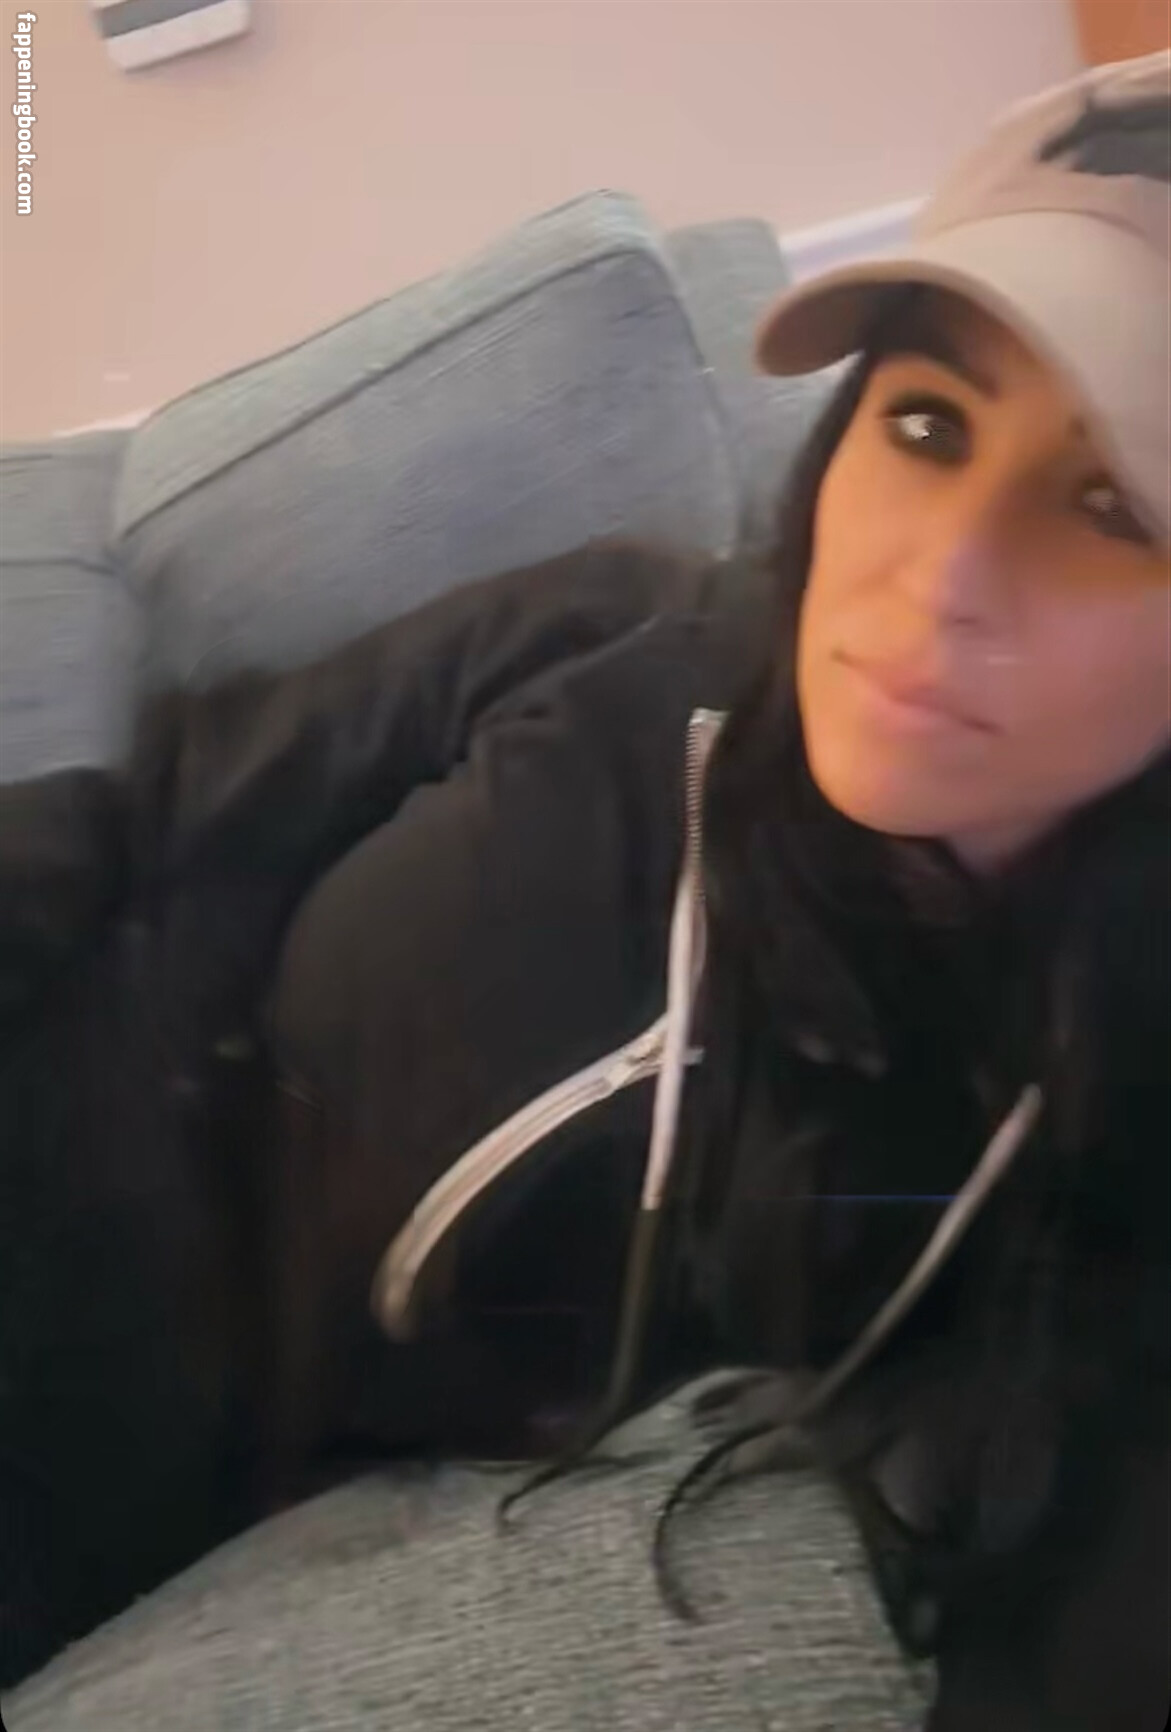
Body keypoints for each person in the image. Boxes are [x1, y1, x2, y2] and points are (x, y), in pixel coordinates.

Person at [2, 49, 1168, 1730]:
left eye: (1110, 501)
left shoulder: (1100, 1088)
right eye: (929, 423)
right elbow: (149, 814)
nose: (941, 577)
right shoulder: (617, 637)